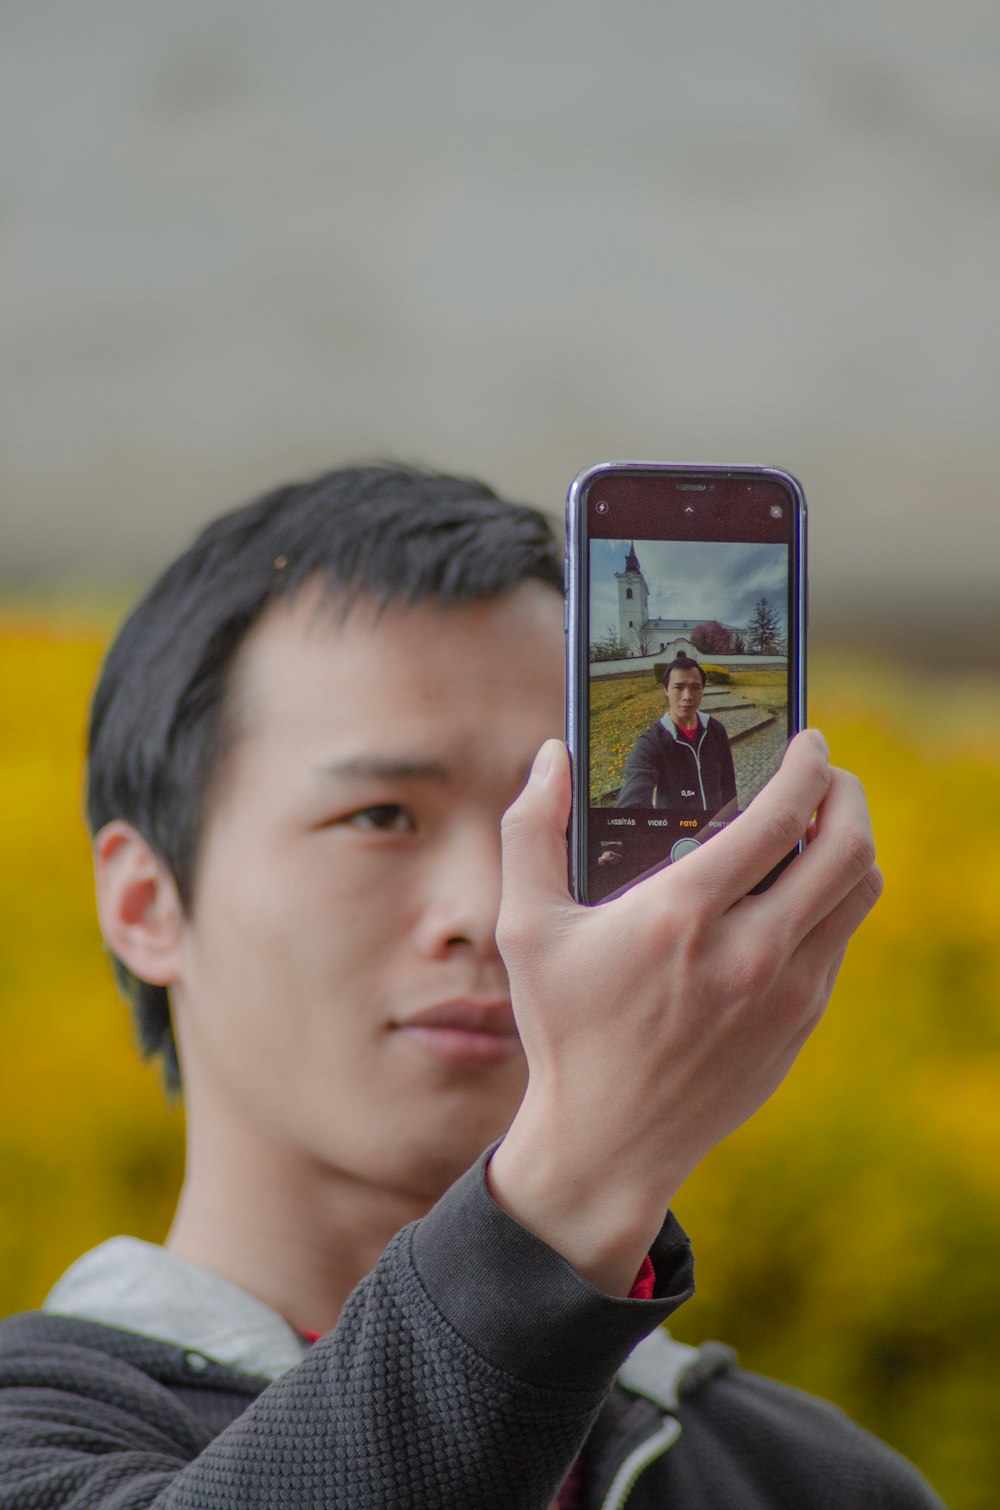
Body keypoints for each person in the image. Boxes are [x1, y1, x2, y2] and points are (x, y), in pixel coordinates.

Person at [0, 465, 944, 1509]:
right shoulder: (34, 1435)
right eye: (381, 817)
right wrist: (584, 1170)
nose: (491, 911)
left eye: (554, 825)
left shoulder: (808, 1481)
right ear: (146, 903)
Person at [617, 652, 738, 812]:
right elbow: (632, 802)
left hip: (715, 831)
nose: (687, 697)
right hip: (672, 832)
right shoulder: (651, 742)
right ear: (666, 690)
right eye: (678, 687)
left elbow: (728, 786)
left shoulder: (716, 730)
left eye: (695, 687)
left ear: (703, 690)